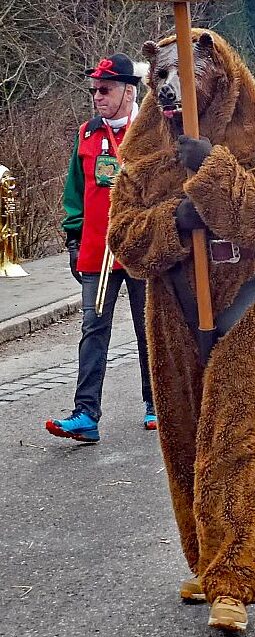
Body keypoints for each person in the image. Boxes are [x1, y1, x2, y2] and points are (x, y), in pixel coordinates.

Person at [108, 28, 255, 633]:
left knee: (238, 440)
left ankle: (237, 581)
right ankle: (209, 559)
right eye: (161, 78)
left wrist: (214, 174)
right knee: (187, 441)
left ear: (218, 79)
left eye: (183, 76)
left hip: (246, 306)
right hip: (172, 310)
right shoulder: (142, 156)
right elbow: (125, 239)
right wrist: (175, 218)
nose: (170, 89)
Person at [45, 53, 155, 443]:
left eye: (105, 89)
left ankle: (155, 403)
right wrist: (73, 240)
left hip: (142, 251)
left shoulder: (151, 131)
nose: (97, 96)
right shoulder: (88, 133)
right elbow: (74, 191)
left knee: (149, 330)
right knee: (93, 330)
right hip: (98, 252)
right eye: (94, 90)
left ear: (129, 90)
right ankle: (85, 413)